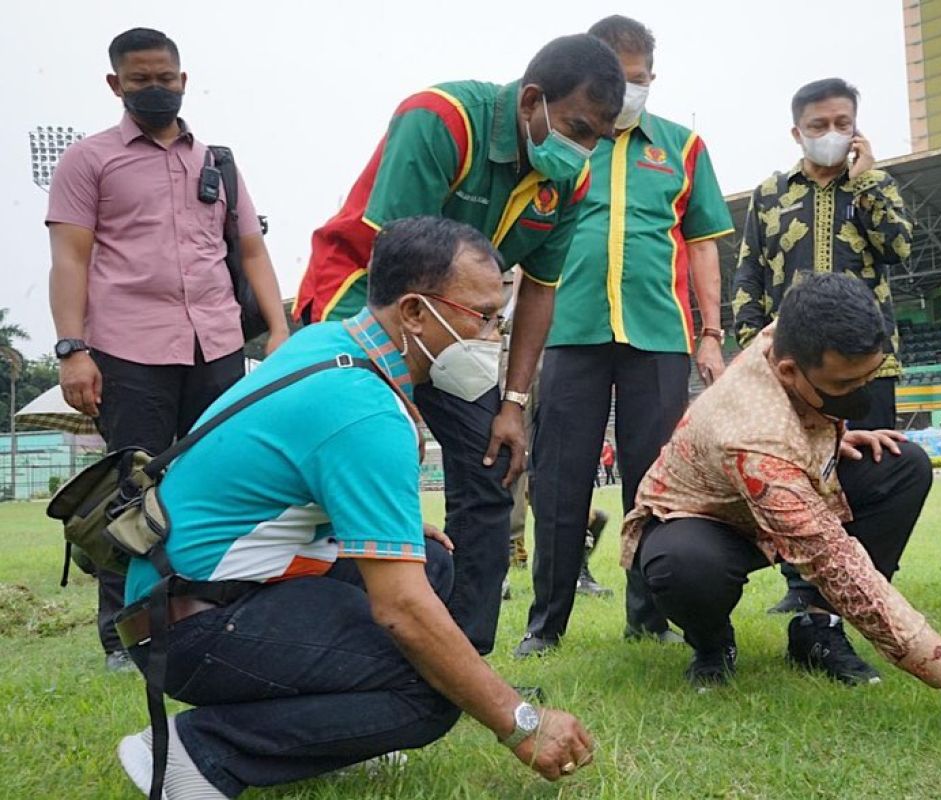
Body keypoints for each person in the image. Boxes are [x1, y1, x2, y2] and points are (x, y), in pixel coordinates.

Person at [114, 217, 595, 798]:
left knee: (432, 562)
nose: (493, 337)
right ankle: (200, 754)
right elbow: (403, 612)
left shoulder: (327, 343)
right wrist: (520, 722)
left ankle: (340, 733)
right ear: (415, 312)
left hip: (174, 595)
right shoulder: (364, 408)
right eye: (483, 317)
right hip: (188, 628)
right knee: (428, 691)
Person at [622, 273, 941, 750]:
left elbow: (796, 424)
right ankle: (711, 642)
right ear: (790, 371)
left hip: (779, 483)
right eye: (845, 384)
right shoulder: (752, 431)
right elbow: (840, 566)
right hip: (704, 519)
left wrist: (828, 441)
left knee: (901, 465)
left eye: (869, 376)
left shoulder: (794, 331)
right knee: (684, 565)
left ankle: (817, 627)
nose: (859, 393)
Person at [293, 35, 625, 655]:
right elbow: (397, 269)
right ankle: (347, 646)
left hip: (458, 325)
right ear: (532, 101)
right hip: (366, 301)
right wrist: (396, 395)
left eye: (596, 140)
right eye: (576, 127)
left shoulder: (568, 183)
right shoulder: (440, 120)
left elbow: (540, 292)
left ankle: (463, 659)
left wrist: (513, 404)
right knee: (356, 469)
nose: (582, 150)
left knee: (491, 468)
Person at [46, 27, 289, 673]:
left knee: (221, 480)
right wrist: (73, 349)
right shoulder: (89, 161)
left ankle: (208, 613)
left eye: (164, 78)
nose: (154, 89)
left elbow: (252, 252)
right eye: (139, 80)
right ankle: (123, 635)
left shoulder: (217, 162)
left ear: (183, 80)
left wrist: (281, 329)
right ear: (115, 84)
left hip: (215, 347)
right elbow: (69, 258)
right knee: (130, 492)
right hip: (128, 350)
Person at [516, 16, 733, 657]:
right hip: (569, 330)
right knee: (559, 481)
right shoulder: (563, 140)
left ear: (650, 80)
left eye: (636, 81)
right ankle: (545, 623)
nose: (624, 93)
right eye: (614, 78)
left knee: (654, 483)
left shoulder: (683, 148)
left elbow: (702, 246)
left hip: (658, 334)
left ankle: (650, 614)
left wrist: (711, 333)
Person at [730, 77, 913, 617]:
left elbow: (900, 247)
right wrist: (753, 352)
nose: (831, 134)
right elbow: (749, 275)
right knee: (800, 475)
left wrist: (868, 183)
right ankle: (802, 587)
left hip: (867, 363)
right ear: (797, 132)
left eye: (842, 123)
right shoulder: (769, 194)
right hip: (796, 369)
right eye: (818, 126)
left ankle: (869, 583)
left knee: (870, 471)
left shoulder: (877, 186)